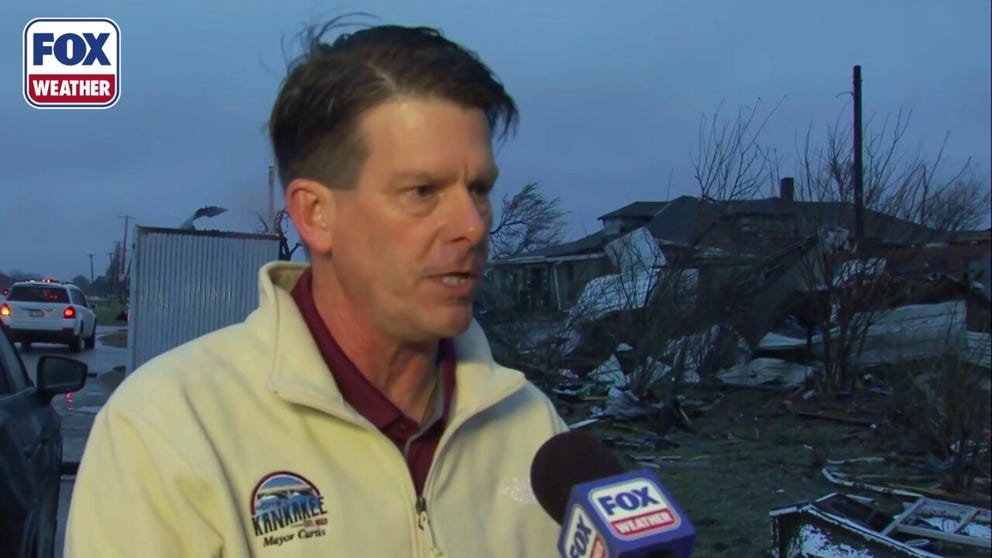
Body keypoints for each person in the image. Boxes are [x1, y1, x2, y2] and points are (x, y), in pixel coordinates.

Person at [65, 18, 568, 557]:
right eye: (423, 191)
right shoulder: (168, 430)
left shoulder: (533, 429)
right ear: (314, 214)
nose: (471, 225)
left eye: (479, 189)